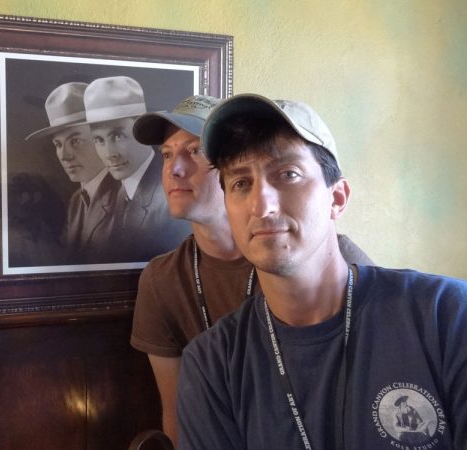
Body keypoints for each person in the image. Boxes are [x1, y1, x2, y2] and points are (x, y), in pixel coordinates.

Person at [176, 94, 467, 449]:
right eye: (241, 183)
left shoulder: (446, 315)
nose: (261, 205)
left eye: (288, 174)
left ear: (338, 198)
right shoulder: (212, 364)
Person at [129, 95, 374, 446]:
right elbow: (178, 420)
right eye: (166, 155)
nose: (174, 169)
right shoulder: (164, 282)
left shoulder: (327, 259)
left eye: (194, 151)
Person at [84, 76, 190, 262]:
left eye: (117, 136)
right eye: (99, 140)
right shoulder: (104, 195)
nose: (109, 154)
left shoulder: (173, 195)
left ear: (142, 131)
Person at [25, 82, 120, 261]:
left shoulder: (125, 195)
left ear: (101, 139)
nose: (64, 156)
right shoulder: (77, 200)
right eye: (58, 144)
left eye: (75, 141)